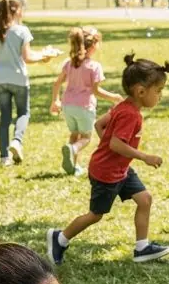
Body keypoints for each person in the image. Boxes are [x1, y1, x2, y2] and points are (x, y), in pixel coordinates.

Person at [46, 54, 169, 267]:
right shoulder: (131, 114)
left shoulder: (123, 106)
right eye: (158, 91)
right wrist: (144, 157)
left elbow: (99, 125)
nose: (160, 96)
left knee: (144, 199)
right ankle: (60, 238)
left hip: (119, 168)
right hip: (107, 172)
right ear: (141, 91)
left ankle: (142, 248)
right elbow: (115, 144)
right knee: (96, 215)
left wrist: (111, 149)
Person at [0, 0, 55, 166]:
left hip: (0, 80)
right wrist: (43, 57)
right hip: (19, 79)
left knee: (4, 118)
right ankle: (17, 141)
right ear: (16, 10)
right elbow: (27, 58)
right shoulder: (22, 31)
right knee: (23, 113)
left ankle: (4, 157)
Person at [49, 26, 120, 175]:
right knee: (86, 138)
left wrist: (55, 101)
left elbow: (56, 83)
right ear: (93, 46)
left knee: (74, 135)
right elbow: (96, 91)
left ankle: (73, 167)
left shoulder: (69, 63)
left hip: (67, 106)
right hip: (84, 107)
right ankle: (72, 149)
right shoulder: (94, 66)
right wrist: (115, 97)